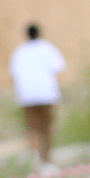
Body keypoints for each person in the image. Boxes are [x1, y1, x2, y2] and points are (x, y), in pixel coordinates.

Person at [9, 23, 67, 168]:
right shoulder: (47, 48)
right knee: (46, 128)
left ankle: (34, 158)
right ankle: (46, 160)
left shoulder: (19, 52)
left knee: (32, 127)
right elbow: (59, 67)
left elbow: (14, 73)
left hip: (27, 96)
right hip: (46, 94)